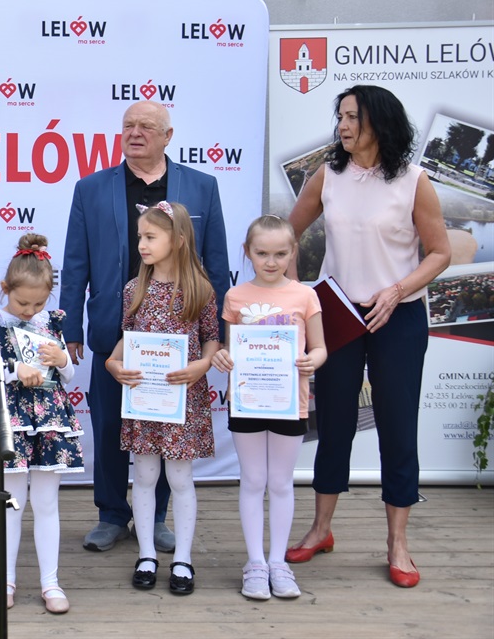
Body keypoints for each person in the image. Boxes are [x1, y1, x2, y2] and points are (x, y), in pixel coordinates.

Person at [285, 85, 449, 588]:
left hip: (398, 315)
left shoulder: (415, 180)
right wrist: (294, 295)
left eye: (353, 116)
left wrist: (397, 290)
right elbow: (287, 235)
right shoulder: (328, 174)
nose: (343, 125)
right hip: (337, 315)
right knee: (334, 424)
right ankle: (320, 529)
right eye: (340, 116)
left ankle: (398, 544)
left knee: (397, 426)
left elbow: (440, 252)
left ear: (379, 121)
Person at [60, 100, 230, 553]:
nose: (135, 133)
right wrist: (71, 327)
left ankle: (154, 519)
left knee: (166, 428)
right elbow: (75, 263)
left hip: (178, 336)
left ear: (168, 136)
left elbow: (216, 263)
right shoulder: (90, 189)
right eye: (128, 125)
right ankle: (112, 515)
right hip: (111, 330)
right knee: (110, 425)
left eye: (147, 127)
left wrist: (220, 337)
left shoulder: (203, 187)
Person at [210, 215, 327, 600]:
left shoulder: (305, 296)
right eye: (262, 253)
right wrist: (222, 357)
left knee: (280, 481)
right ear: (248, 252)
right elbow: (228, 348)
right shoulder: (234, 297)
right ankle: (255, 563)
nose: (271, 262)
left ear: (293, 252)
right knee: (253, 480)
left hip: (289, 402)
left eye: (280, 254)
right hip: (247, 401)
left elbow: (319, 347)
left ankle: (278, 561)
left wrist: (312, 361)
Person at [106, 202, 220, 596]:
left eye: (151, 237)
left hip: (182, 399)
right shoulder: (133, 289)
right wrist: (112, 363)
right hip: (144, 399)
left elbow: (211, 337)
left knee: (180, 477)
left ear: (179, 240)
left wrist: (203, 364)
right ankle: (146, 555)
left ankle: (183, 558)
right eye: (140, 236)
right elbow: (128, 338)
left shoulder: (200, 289)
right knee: (144, 476)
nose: (142, 243)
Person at [0, 234, 83, 615]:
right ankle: (5, 579)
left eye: (38, 303)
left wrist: (62, 359)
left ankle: (50, 582)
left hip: (49, 419)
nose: (29, 310)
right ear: (5, 288)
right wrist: (13, 369)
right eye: (22, 302)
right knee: (12, 502)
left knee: (47, 502)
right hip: (12, 420)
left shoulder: (51, 322)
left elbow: (68, 376)